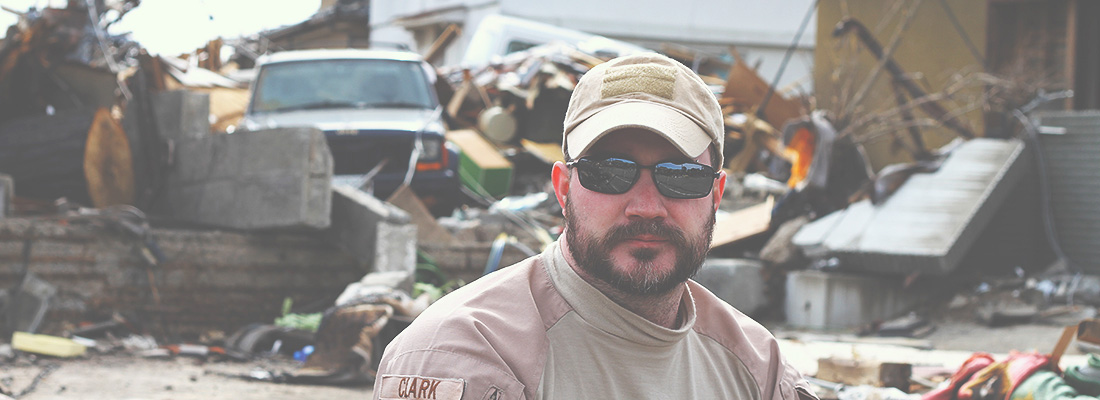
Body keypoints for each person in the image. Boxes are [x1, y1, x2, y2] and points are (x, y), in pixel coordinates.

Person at [373, 53, 817, 400]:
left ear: (716, 195)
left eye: (680, 177)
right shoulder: (466, 357)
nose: (646, 207)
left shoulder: (758, 368)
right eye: (610, 173)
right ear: (563, 188)